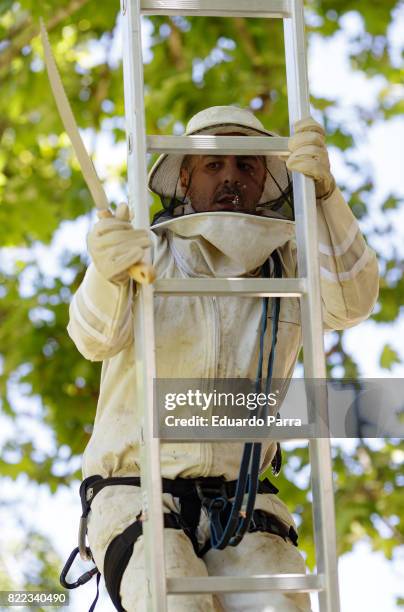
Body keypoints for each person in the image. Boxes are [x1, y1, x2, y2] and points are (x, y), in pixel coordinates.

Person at [67, 106, 379, 612]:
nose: (231, 176)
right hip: (136, 492)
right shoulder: (147, 253)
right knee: (172, 598)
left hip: (243, 503)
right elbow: (91, 339)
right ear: (185, 176)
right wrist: (105, 273)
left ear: (264, 181)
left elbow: (353, 301)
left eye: (247, 165)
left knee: (284, 606)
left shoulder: (289, 267)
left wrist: (325, 198)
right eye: (214, 165)